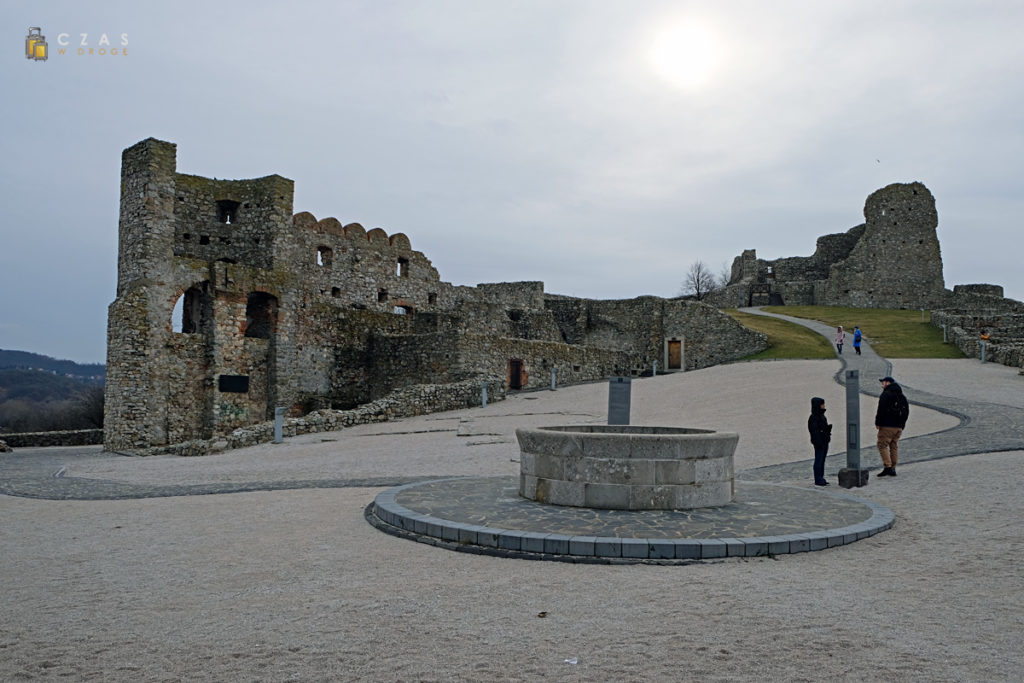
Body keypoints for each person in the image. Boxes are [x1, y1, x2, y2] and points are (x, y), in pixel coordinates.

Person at [875, 376, 909, 476]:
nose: (882, 384)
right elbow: (906, 411)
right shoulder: (901, 395)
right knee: (893, 446)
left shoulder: (886, 394)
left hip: (887, 425)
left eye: (883, 382)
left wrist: (878, 423)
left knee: (882, 445)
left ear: (888, 383)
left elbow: (881, 409)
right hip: (898, 426)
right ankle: (893, 467)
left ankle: (888, 467)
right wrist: (902, 425)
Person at [808, 397, 832, 486]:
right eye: (822, 404)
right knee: (818, 460)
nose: (824, 406)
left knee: (822, 460)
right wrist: (819, 442)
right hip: (820, 443)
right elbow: (814, 432)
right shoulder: (813, 418)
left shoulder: (822, 416)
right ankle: (818, 479)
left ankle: (821, 477)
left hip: (824, 441)